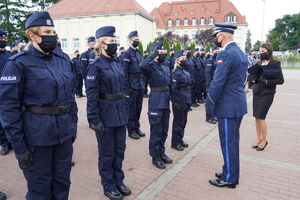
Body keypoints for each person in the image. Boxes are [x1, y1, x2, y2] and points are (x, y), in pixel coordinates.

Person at [0, 11, 78, 199]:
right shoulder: (18, 63)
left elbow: (71, 97)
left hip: (64, 136)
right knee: (40, 189)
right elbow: (8, 108)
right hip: (37, 138)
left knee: (62, 184)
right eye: (47, 32)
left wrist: (73, 125)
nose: (53, 36)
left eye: (53, 32)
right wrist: (18, 146)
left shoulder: (62, 61)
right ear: (32, 35)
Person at [86, 26, 131, 200]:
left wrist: (126, 109)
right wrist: (94, 119)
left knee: (119, 151)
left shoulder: (118, 63)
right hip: (105, 115)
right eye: (111, 41)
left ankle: (118, 181)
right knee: (107, 153)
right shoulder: (95, 66)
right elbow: (91, 95)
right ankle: (108, 184)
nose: (115, 43)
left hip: (120, 114)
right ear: (102, 44)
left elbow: (123, 88)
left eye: (115, 41)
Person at [205, 23, 248, 188]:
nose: (216, 39)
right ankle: (229, 172)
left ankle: (229, 178)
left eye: (216, 36)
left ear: (222, 35)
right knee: (233, 142)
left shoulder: (227, 54)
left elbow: (218, 82)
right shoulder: (240, 52)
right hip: (237, 103)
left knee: (228, 143)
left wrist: (209, 102)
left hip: (227, 106)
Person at [139, 42, 172, 170]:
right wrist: (152, 55)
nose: (163, 55)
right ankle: (155, 156)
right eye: (160, 53)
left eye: (164, 53)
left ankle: (161, 152)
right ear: (155, 54)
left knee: (164, 130)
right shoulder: (151, 67)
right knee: (156, 131)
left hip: (165, 101)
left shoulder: (166, 68)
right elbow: (142, 65)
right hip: (156, 101)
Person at [250, 43, 284, 151]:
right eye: (260, 51)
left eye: (263, 51)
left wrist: (267, 81)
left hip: (267, 94)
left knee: (261, 117)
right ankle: (258, 139)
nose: (261, 53)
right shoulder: (259, 63)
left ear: (269, 51)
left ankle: (264, 140)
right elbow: (254, 77)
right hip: (257, 92)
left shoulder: (275, 63)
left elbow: (281, 80)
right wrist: (254, 77)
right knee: (256, 117)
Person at [122, 30, 145, 139]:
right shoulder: (126, 54)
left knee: (138, 108)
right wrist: (127, 87)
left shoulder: (139, 53)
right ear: (130, 40)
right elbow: (124, 72)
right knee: (131, 108)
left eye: (138, 40)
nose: (137, 41)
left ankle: (137, 127)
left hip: (140, 84)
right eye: (135, 40)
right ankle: (131, 129)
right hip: (132, 84)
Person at [170, 50, 192, 151]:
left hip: (186, 98)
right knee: (178, 121)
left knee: (184, 121)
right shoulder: (175, 73)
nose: (184, 60)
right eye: (182, 59)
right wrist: (175, 102)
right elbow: (173, 89)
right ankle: (175, 142)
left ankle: (180, 139)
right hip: (179, 99)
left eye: (185, 59)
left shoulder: (186, 72)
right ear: (177, 60)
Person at [0, 28, 14, 156]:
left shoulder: (10, 55)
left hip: (10, 93)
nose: (3, 41)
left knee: (12, 118)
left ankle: (12, 142)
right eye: (1, 39)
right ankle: (4, 143)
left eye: (4, 39)